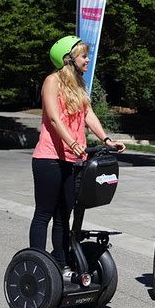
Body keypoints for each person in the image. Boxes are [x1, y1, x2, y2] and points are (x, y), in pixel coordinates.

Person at [30, 36, 125, 270]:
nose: (88, 59)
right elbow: (53, 118)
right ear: (68, 59)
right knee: (44, 213)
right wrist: (72, 142)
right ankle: (37, 263)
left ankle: (61, 264)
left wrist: (106, 139)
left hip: (73, 160)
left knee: (64, 216)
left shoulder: (79, 84)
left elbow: (88, 114)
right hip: (48, 158)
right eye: (83, 55)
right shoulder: (52, 81)